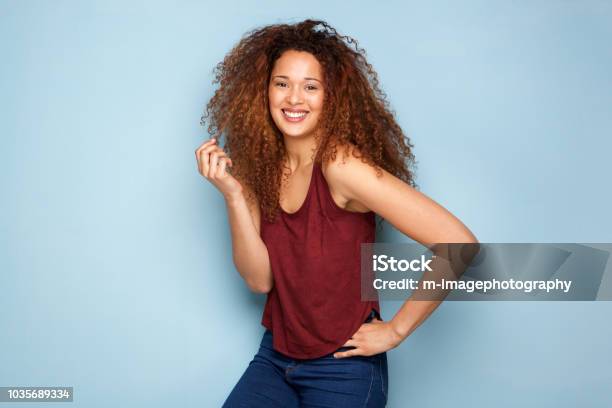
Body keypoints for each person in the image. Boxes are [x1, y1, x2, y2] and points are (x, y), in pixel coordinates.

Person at [196, 19, 477, 407]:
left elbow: (459, 244)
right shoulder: (261, 165)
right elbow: (259, 280)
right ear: (263, 91)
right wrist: (233, 195)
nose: (294, 98)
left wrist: (395, 331)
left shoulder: (342, 166)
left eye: (311, 87)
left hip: (342, 368)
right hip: (276, 357)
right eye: (282, 83)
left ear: (331, 97)